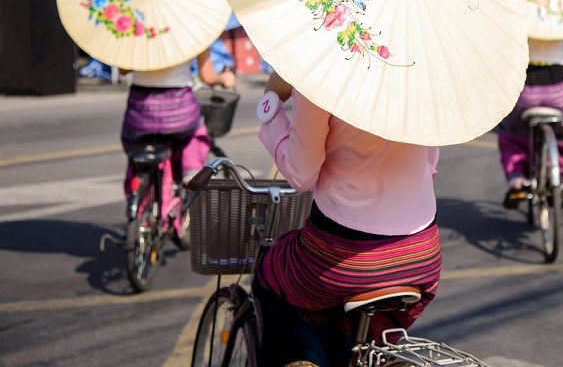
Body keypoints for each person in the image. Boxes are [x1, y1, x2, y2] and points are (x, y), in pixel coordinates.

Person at [252, 71, 442, 367]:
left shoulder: (322, 73)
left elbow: (301, 174)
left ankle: (302, 359)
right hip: (420, 259)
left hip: (340, 257)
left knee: (270, 274)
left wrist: (271, 105)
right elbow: (430, 161)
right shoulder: (420, 72)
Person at [497, 32, 563, 209]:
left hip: (523, 91)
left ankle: (517, 180)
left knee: (511, 132)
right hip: (560, 92)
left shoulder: (519, 10)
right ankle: (562, 178)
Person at [120, 48, 235, 196]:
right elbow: (208, 77)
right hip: (179, 110)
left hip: (141, 110)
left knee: (138, 143)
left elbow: (123, 70)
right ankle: (190, 170)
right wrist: (225, 78)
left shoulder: (138, 32)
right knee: (197, 130)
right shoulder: (192, 33)